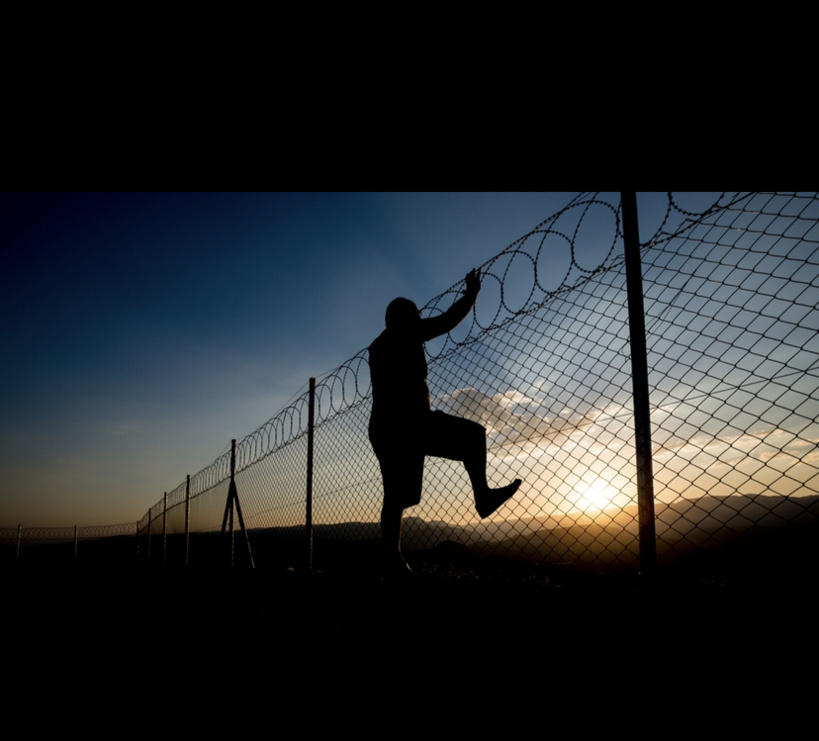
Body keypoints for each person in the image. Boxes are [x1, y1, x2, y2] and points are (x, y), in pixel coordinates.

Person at [368, 268, 522, 575]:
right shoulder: (405, 333)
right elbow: (447, 321)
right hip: (410, 424)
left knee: (400, 496)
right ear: (404, 317)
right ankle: (483, 498)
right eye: (415, 314)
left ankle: (392, 559)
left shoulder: (378, 345)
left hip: (385, 429)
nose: (419, 318)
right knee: (474, 436)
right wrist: (472, 294)